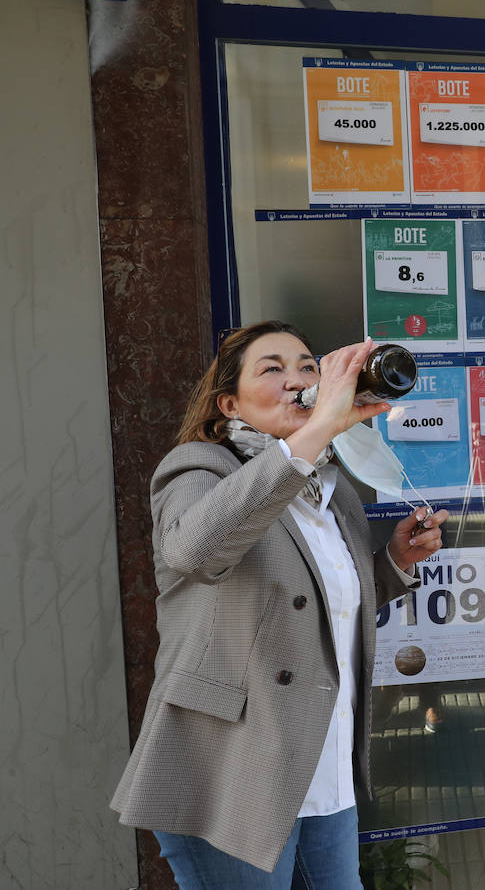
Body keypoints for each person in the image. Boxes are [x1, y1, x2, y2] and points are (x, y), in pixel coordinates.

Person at [110, 321, 449, 888]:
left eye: (308, 368)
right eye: (273, 369)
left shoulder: (332, 488)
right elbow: (196, 551)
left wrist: (394, 563)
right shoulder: (199, 468)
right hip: (231, 769)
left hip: (322, 766)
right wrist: (312, 434)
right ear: (229, 403)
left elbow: (317, 606)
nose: (297, 381)